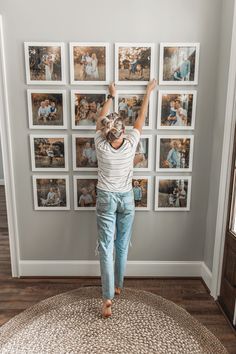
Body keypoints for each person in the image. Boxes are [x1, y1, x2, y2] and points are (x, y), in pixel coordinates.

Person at [94, 78, 156, 318]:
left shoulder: (100, 144)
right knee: (121, 245)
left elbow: (101, 118)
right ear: (123, 130)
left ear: (105, 131)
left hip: (106, 198)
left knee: (106, 247)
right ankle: (118, 285)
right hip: (126, 199)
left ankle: (107, 297)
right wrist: (148, 92)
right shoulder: (131, 143)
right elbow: (141, 119)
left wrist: (111, 95)